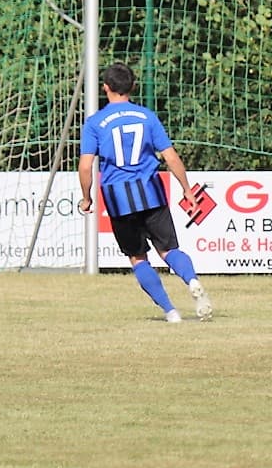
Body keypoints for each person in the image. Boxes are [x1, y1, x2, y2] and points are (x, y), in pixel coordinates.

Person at [77, 62, 212, 323]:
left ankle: (171, 312)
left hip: (117, 196)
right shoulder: (147, 116)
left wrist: (87, 197)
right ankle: (192, 279)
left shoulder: (95, 123)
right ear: (133, 87)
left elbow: (85, 166)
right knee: (169, 249)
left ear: (105, 88)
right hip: (150, 190)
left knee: (138, 258)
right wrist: (187, 190)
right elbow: (171, 157)